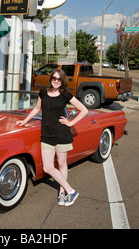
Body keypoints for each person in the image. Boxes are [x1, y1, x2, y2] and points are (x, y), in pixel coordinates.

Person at [16, 68, 88, 206]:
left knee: (61, 164)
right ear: (51, 79)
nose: (56, 81)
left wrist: (70, 122)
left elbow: (84, 110)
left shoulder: (65, 95)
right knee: (48, 167)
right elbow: (37, 109)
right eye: (54, 78)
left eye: (59, 79)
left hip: (61, 133)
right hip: (47, 134)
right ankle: (71, 191)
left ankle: (62, 192)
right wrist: (25, 121)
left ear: (62, 81)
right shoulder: (43, 92)